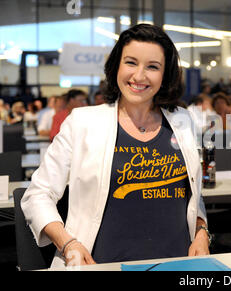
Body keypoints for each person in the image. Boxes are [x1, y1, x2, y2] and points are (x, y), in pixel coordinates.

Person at [21, 24, 210, 268]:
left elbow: (192, 196)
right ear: (116, 67)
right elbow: (37, 195)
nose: (139, 76)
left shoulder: (183, 121)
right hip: (101, 264)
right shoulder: (82, 123)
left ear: (165, 75)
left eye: (152, 67)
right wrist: (68, 244)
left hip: (178, 263)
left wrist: (202, 231)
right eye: (131, 62)